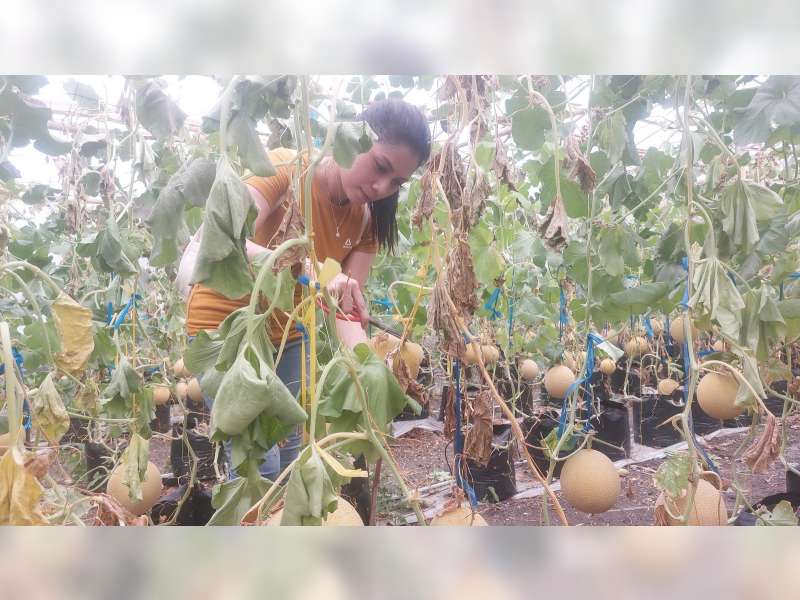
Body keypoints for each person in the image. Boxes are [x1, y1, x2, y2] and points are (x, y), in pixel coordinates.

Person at [184, 98, 431, 481]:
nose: (382, 187)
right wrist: (311, 269)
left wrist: (370, 374)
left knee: (293, 454)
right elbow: (224, 239)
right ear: (353, 137)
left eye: (396, 182)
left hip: (287, 334)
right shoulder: (285, 168)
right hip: (227, 329)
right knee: (258, 465)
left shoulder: (366, 219)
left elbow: (344, 309)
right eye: (381, 167)